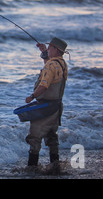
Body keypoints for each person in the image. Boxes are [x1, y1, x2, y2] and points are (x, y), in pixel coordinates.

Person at [25, 37, 68, 167]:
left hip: (45, 107)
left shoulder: (51, 65)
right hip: (56, 106)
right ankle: (55, 165)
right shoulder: (62, 64)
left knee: (35, 136)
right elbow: (51, 67)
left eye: (50, 48)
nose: (48, 49)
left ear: (56, 50)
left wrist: (32, 96)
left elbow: (44, 85)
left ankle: (32, 168)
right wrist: (44, 52)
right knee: (51, 136)